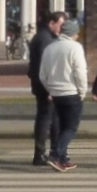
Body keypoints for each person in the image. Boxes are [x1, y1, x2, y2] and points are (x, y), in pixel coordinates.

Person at [37, 18, 88, 171]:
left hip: (55, 94)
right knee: (70, 128)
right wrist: (82, 91)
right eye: (77, 33)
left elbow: (42, 75)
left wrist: (50, 89)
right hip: (71, 92)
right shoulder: (75, 48)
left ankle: (64, 158)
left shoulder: (49, 48)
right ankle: (55, 155)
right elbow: (80, 72)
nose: (78, 36)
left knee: (61, 126)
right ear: (72, 33)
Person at [27, 12, 65, 167]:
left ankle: (54, 152)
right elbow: (46, 65)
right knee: (46, 118)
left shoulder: (44, 37)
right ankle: (40, 154)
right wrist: (50, 88)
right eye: (60, 25)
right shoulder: (45, 40)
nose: (61, 28)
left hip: (44, 84)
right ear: (51, 23)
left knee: (53, 118)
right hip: (46, 86)